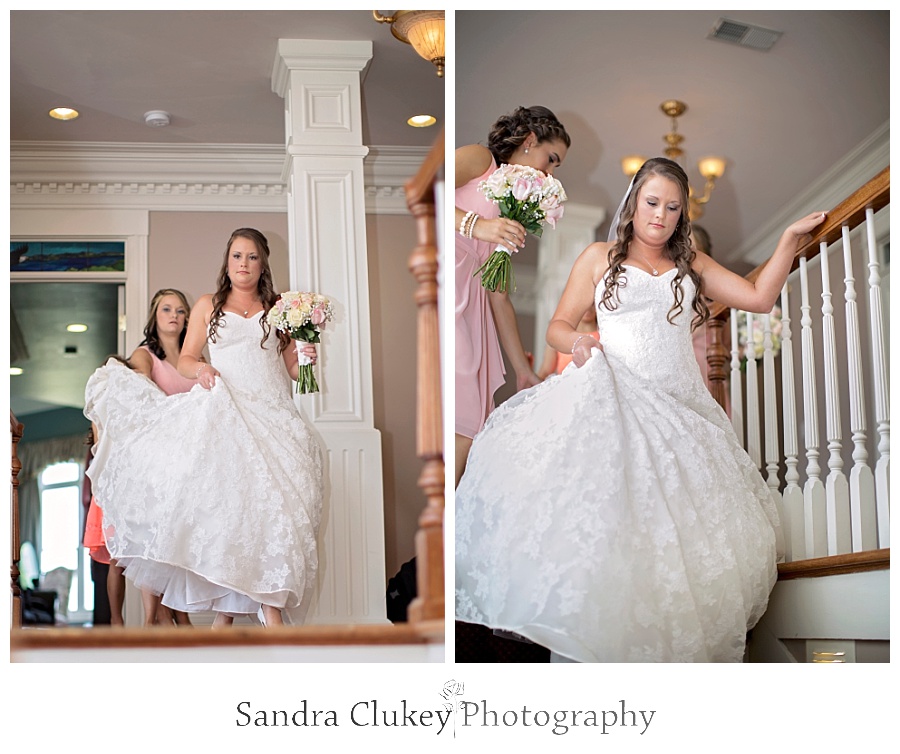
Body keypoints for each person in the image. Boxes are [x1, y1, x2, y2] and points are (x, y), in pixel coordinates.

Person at [455, 157, 827, 662]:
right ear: (633, 203)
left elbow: (760, 298)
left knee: (682, 548)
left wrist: (787, 238)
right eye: (652, 203)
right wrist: (581, 342)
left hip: (682, 412)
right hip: (617, 399)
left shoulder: (690, 262)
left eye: (673, 208)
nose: (661, 216)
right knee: (613, 528)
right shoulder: (597, 257)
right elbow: (557, 326)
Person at [84, 228, 324, 628]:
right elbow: (186, 360)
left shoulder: (279, 308)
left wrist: (307, 356)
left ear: (262, 263)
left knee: (274, 516)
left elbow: (296, 375)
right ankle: (268, 613)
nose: (243, 264)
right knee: (237, 516)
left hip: (276, 419)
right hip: (228, 417)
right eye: (236, 256)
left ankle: (226, 624)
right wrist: (203, 369)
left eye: (251, 257)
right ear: (226, 262)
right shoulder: (208, 305)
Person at [455, 105, 571, 486]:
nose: (549, 172)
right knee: (456, 416)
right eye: (550, 159)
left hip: (475, 305)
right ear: (530, 140)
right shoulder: (480, 159)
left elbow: (498, 296)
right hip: (449, 282)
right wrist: (478, 225)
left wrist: (523, 371)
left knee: (470, 425)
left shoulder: (514, 209)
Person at [127, 288, 199, 627]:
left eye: (181, 310)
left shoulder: (193, 358)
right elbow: (137, 389)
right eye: (166, 309)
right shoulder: (144, 355)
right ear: (154, 317)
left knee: (180, 540)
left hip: (189, 461)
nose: (174, 315)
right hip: (159, 461)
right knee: (157, 538)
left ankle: (179, 614)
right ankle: (152, 619)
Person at [536, 305, 598, 380]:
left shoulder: (604, 336)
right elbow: (545, 372)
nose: (588, 308)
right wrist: (527, 372)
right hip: (565, 388)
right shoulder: (559, 336)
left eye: (592, 304)